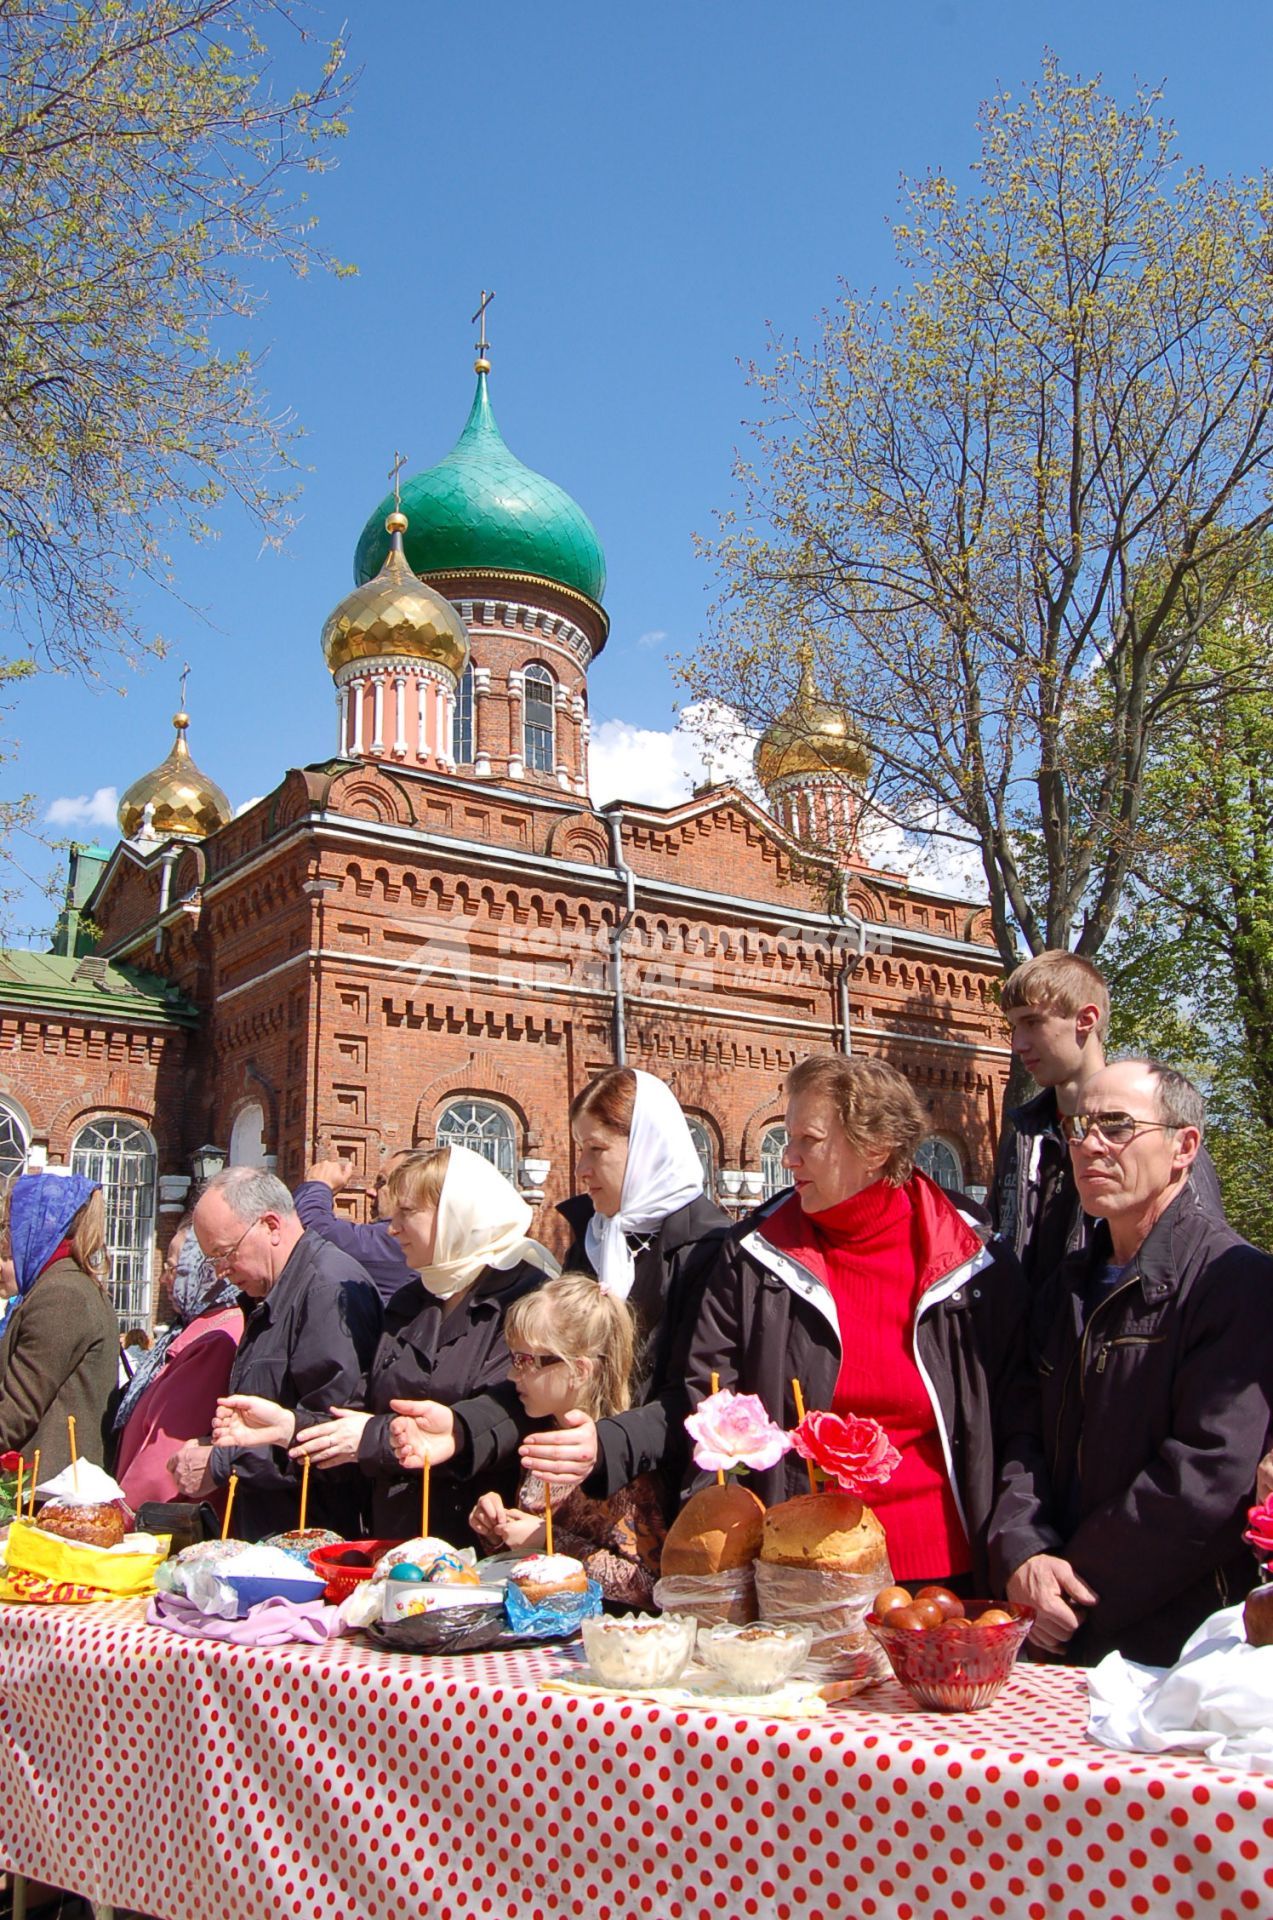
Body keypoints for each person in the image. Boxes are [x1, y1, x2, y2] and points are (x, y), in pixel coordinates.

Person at [687, 1053, 1031, 1592]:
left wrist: (1022, 1543)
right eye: (787, 1136)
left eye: (810, 1140)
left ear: (876, 1147)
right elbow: (710, 1399)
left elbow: (1021, 1418)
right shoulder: (753, 1256)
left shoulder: (973, 1258)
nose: (789, 1157)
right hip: (802, 1563)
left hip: (945, 1568)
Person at [992, 1058, 1273, 1668]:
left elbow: (1209, 1473)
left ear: (1183, 1147)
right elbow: (1020, 1435)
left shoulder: (1235, 1284)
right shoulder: (1062, 1289)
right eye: (1077, 1127)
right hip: (1052, 1624)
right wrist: (1023, 1552)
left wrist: (1076, 1588)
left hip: (1178, 1646)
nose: (1089, 1145)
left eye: (1116, 1126)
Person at [389, 1068, 728, 1521]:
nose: (582, 1169)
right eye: (579, 1149)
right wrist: (464, 1428)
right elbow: (545, 1372)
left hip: (670, 1513)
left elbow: (701, 1398)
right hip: (583, 1506)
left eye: (597, 1149)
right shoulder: (593, 1243)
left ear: (648, 1148)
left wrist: (607, 1444)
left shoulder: (708, 1252)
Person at [213, 1146, 557, 1550]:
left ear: (455, 1213)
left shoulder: (525, 1297)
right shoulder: (412, 1299)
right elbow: (365, 1411)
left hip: (483, 1540)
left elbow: (504, 1411)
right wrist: (290, 1427)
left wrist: (376, 1440)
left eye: (407, 1213)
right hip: (398, 1540)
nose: (392, 1229)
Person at [992, 949, 1223, 1291]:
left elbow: (1203, 1265)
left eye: (1033, 1022)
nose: (1018, 1044)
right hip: (1039, 1342)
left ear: (1085, 1019)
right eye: (1013, 1027)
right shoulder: (1027, 1138)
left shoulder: (1157, 1133)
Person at [170, 1167, 381, 1540]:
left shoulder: (325, 1289)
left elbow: (333, 1439)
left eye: (225, 1253)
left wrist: (224, 1464)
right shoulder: (272, 1291)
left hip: (311, 1543)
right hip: (271, 1532)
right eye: (212, 1260)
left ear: (271, 1225)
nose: (221, 1272)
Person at [468, 1272, 666, 1606]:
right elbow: (532, 1566)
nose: (511, 1374)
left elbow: (647, 1585)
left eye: (525, 1361)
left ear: (579, 1370)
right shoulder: (546, 1434)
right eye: (513, 1358)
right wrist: (497, 1532)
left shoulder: (623, 1467)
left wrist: (545, 1540)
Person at [112, 1221, 243, 1510]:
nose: (163, 1280)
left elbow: (169, 1450)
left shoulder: (215, 1338)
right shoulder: (191, 1328)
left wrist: (123, 1513)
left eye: (175, 1270)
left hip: (164, 1518)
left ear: (204, 1272)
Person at [0, 1172, 119, 1477]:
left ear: (35, 1232)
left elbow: (16, 1411)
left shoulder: (62, 1294)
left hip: (46, 1494)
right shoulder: (57, 1287)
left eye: (9, 1232)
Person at [293, 1150, 415, 1304]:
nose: (370, 1191)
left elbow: (316, 1230)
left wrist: (318, 1185)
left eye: (382, 1182)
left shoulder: (399, 1240)